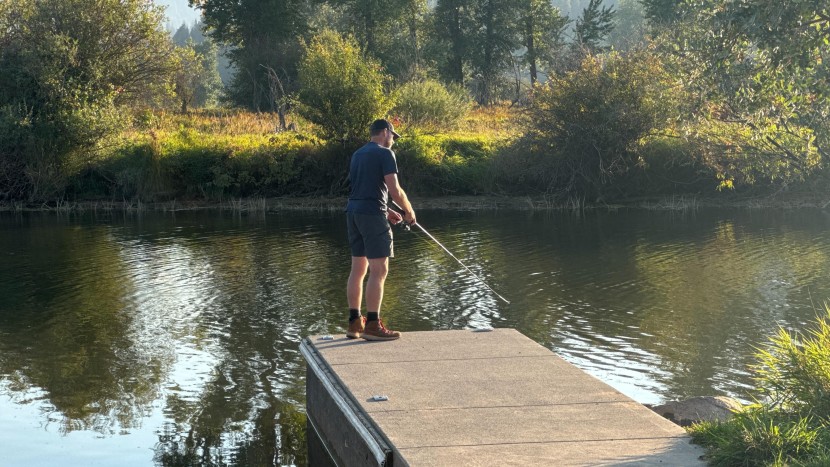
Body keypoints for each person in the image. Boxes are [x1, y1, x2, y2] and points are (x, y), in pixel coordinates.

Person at [345, 119, 416, 341]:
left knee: (358, 269)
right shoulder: (385, 154)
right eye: (392, 136)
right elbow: (395, 189)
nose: (393, 141)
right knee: (379, 270)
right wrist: (409, 211)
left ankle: (355, 322)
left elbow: (364, 189)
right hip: (371, 216)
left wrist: (386, 211)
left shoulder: (358, 154)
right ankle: (373, 325)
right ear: (385, 132)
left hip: (354, 213)